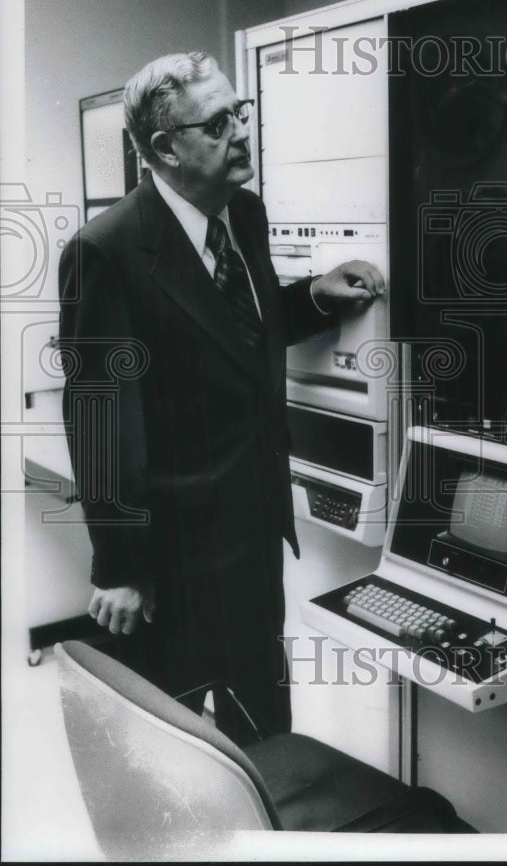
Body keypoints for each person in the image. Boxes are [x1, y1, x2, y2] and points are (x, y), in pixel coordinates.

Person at [58, 51, 384, 742]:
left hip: (253, 531)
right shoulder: (107, 251)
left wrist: (314, 298)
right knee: (170, 744)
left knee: (265, 729)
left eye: (240, 113)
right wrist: (118, 566)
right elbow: (99, 419)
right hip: (170, 556)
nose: (240, 131)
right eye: (216, 124)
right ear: (164, 149)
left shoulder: (245, 214)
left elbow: (231, 329)